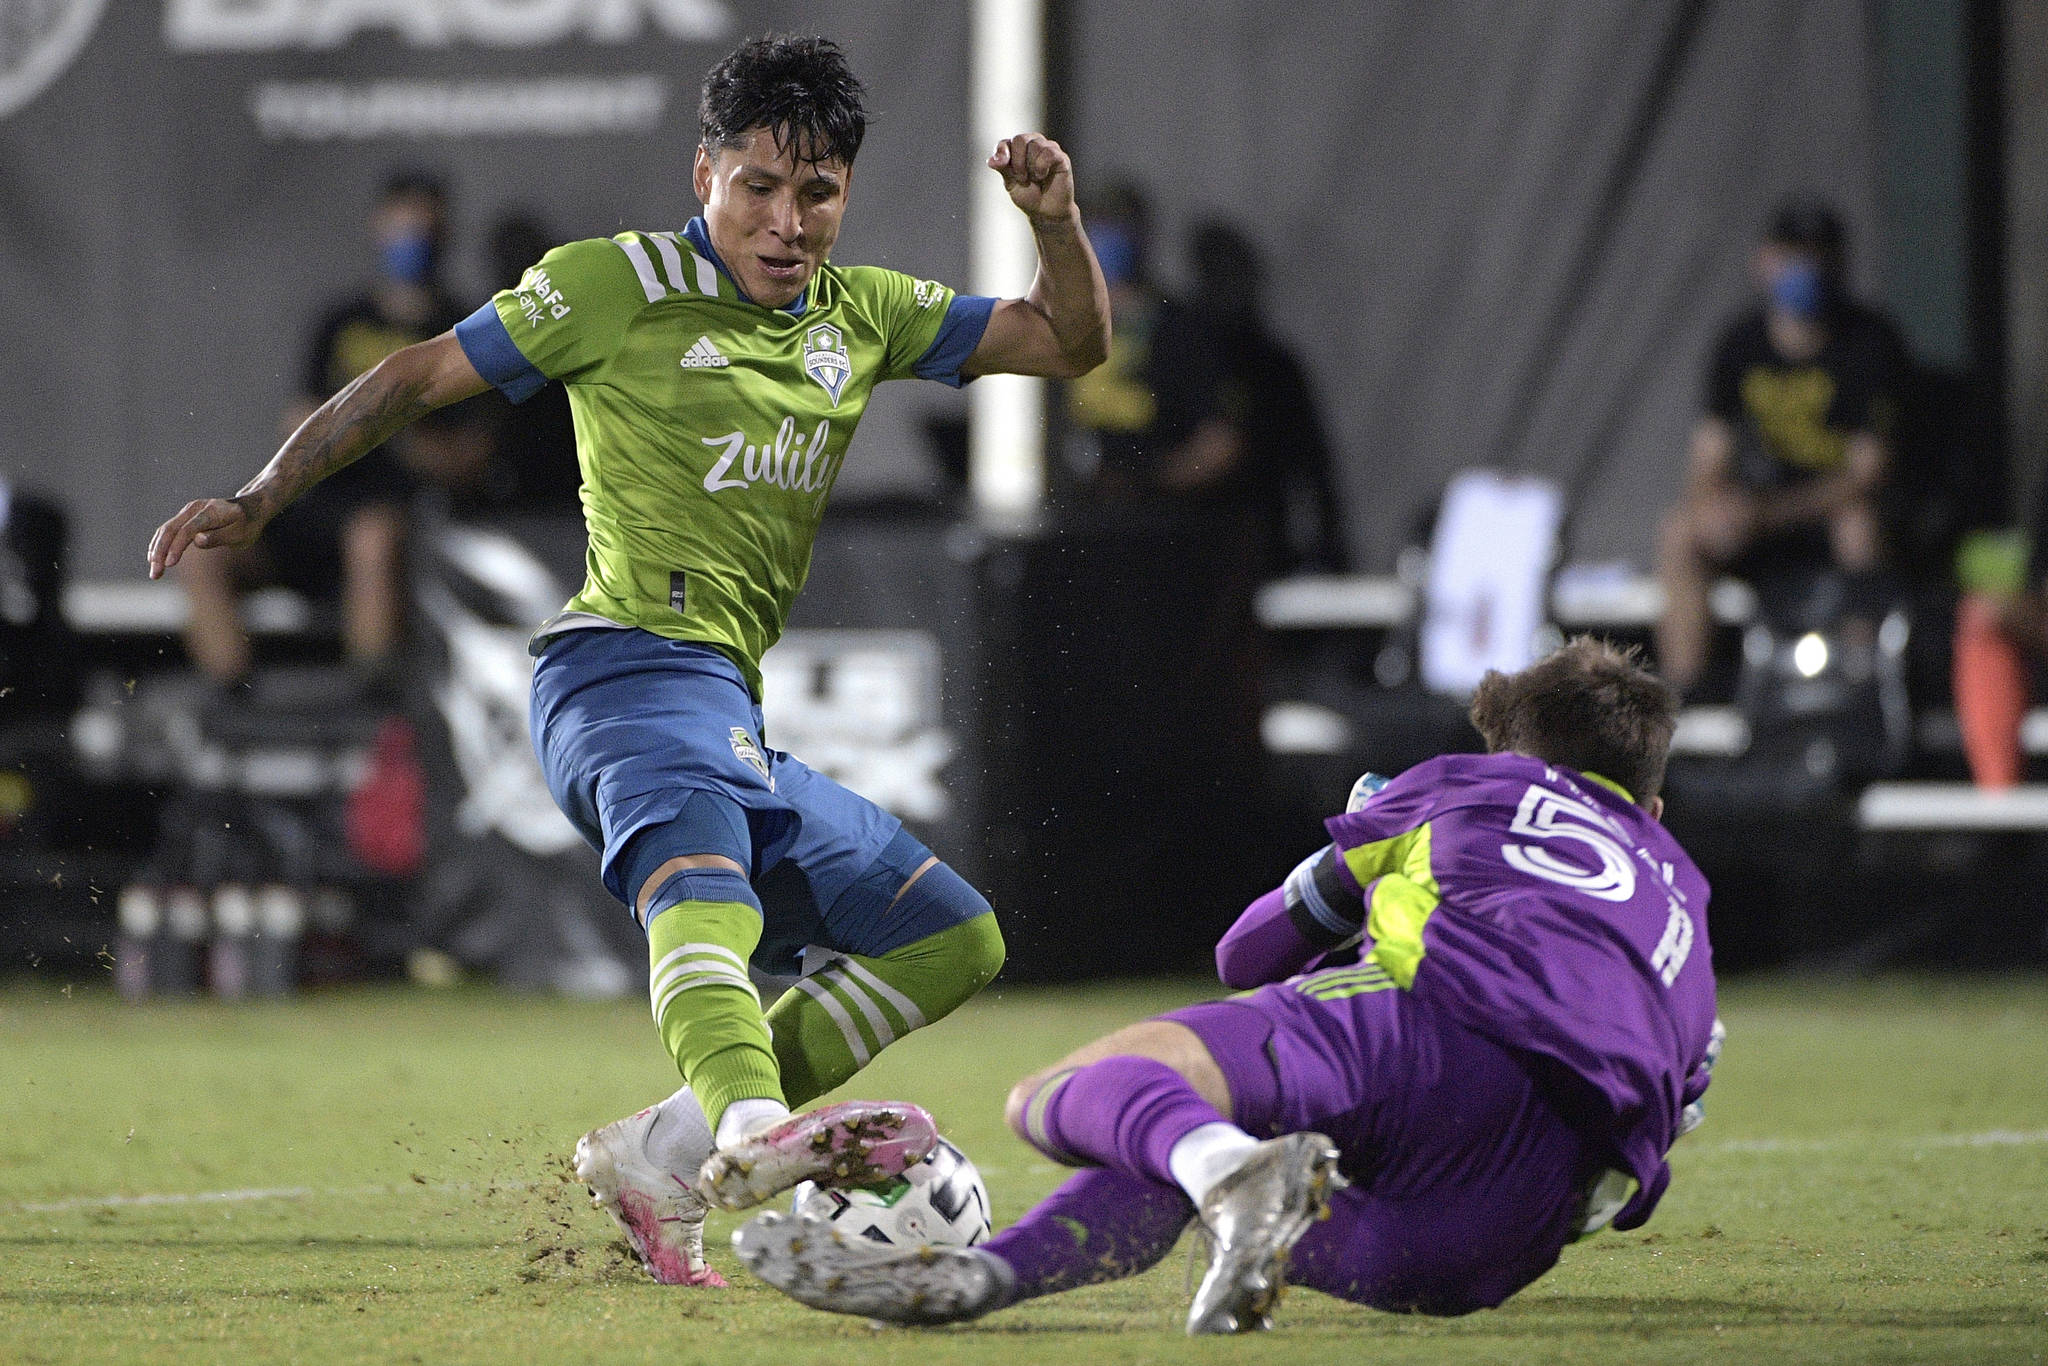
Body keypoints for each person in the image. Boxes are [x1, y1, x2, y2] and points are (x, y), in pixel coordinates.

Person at [148, 35, 1109, 1286]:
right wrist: (263, 495)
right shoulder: (613, 283)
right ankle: (753, 1128)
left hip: (724, 705)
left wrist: (1054, 222)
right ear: (704, 174)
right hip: (617, 672)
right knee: (703, 886)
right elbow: (412, 378)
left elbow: (1067, 343)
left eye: (815, 193)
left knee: (951, 936)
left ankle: (664, 1150)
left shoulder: (864, 313)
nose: (786, 223)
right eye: (757, 187)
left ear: (844, 195)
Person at [735, 637, 1721, 1334]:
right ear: (1653, 806)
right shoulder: (1684, 901)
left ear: (1512, 752)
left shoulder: (1469, 784)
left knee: (1070, 1095)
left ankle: (1222, 1172)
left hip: (1425, 1032)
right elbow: (1634, 1174)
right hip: (1490, 1236)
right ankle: (980, 1280)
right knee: (1202, 1161)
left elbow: (1246, 955)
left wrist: (1358, 854)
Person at [175, 171, 489, 690]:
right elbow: (298, 420)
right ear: (378, 228)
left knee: (372, 538)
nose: (412, 243)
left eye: (424, 232)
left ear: (445, 236)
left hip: (394, 516)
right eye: (403, 229)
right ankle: (232, 702)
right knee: (200, 549)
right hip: (314, 499)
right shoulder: (342, 320)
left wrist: (381, 423)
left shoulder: (464, 327)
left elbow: (469, 457)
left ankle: (372, 705)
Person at [1655, 198, 1911, 694]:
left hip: (1823, 516)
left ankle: (1857, 687)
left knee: (1858, 529)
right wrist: (1718, 502)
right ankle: (1682, 695)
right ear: (1763, 261)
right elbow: (1709, 455)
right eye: (1790, 255)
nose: (1802, 270)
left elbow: (1868, 473)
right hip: (1758, 518)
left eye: (1815, 256)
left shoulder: (1870, 344)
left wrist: (1768, 512)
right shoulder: (1740, 343)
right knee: (1680, 532)